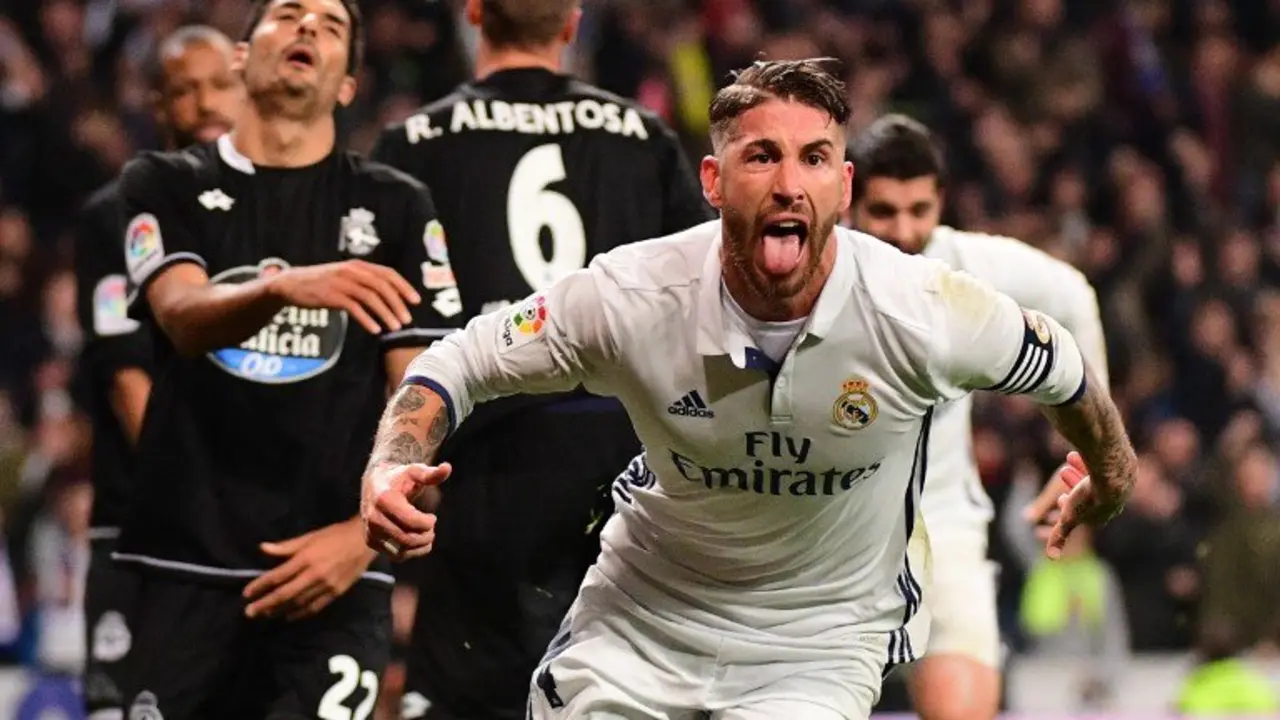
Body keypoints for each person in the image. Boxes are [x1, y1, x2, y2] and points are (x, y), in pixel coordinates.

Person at [361, 58, 1137, 719]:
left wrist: (1110, 472)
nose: (789, 183)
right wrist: (391, 461)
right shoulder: (636, 296)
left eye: (814, 159)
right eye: (762, 156)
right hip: (644, 618)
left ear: (844, 184)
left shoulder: (923, 309)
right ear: (713, 180)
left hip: (818, 638)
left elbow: (1064, 368)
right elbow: (461, 361)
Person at [114, 1, 461, 716]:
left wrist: (366, 537)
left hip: (335, 574)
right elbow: (180, 317)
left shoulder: (396, 206)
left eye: (331, 25)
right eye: (288, 14)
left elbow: (425, 392)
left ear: (346, 86)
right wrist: (289, 286)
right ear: (240, 59)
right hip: (183, 568)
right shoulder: (162, 183)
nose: (308, 28)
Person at [368, 0, 711, 716]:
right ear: (572, 22)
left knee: (471, 697)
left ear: (473, 14)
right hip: (622, 470)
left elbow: (394, 327)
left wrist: (410, 465)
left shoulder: (415, 141)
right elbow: (702, 313)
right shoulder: (642, 137)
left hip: (479, 465)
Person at [845, 114, 1110, 720]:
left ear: (941, 200)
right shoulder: (813, 274)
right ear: (850, 204)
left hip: (942, 535)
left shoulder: (966, 265)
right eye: (884, 211)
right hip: (826, 540)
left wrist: (1089, 455)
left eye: (920, 209)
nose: (905, 230)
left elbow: (1073, 296)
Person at [71, 25, 242, 719]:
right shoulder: (114, 216)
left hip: (250, 532)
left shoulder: (277, 209)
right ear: (158, 105)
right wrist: (210, 504)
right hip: (146, 532)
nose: (205, 102)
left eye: (219, 83)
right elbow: (125, 382)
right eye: (184, 89)